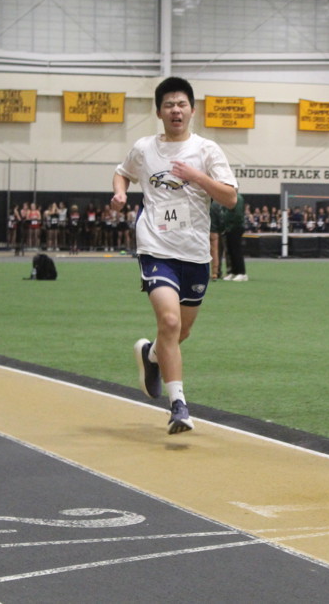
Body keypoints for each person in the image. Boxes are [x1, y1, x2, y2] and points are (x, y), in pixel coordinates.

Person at [110, 76, 239, 434]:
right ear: (159, 112)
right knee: (169, 322)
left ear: (192, 110)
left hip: (194, 253)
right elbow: (122, 173)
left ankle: (151, 355)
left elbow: (230, 198)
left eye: (181, 104)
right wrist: (120, 194)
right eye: (169, 105)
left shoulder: (207, 150)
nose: (175, 110)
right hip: (155, 247)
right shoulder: (144, 148)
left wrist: (197, 176)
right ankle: (178, 406)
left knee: (180, 331)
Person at [221, 192, 247, 281]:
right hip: (229, 227)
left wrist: (232, 226)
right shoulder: (229, 197)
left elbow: (238, 215)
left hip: (235, 227)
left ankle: (242, 273)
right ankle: (233, 272)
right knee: (230, 251)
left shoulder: (238, 198)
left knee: (236, 251)